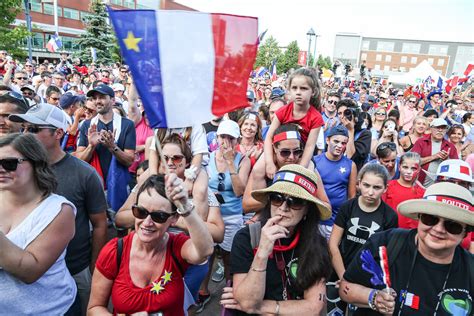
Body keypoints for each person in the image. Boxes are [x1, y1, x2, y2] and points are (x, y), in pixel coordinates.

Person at [9, 103, 108, 315]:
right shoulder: (15, 172)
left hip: (75, 269)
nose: (26, 134)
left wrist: (95, 267)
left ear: (59, 133)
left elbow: (100, 224)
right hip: (22, 275)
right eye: (24, 128)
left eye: (34, 129)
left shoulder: (85, 174)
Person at [88, 174, 214, 315]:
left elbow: (205, 250)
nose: (147, 222)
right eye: (140, 212)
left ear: (174, 218)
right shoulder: (114, 251)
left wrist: (185, 207)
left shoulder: (177, 246)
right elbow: (94, 308)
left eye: (158, 216)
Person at [340, 182, 473, 316]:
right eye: (430, 219)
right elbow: (346, 288)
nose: (438, 229)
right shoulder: (385, 243)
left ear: (465, 233)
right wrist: (373, 297)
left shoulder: (470, 269)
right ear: (419, 217)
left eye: (452, 226)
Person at [221, 164, 332, 315]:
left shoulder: (316, 244)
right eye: (277, 198)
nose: (284, 208)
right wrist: (262, 253)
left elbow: (313, 307)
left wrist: (261, 307)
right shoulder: (246, 237)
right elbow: (247, 302)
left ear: (308, 209)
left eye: (296, 201)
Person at [0, 133, 78, 314]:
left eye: (9, 163)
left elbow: (30, 271)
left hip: (50, 310)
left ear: (35, 163)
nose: (1, 169)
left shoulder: (58, 210)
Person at [329, 163, 398, 292]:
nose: (370, 192)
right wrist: (344, 277)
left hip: (368, 279)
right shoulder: (347, 207)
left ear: (385, 188)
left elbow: (386, 256)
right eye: (366, 185)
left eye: (377, 187)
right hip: (340, 272)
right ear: (359, 183)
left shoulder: (390, 216)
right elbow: (333, 244)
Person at [242, 124, 331, 216]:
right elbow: (246, 205)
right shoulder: (262, 167)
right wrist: (275, 199)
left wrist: (304, 202)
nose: (291, 157)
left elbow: (327, 206)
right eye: (285, 152)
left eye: (297, 152)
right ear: (274, 149)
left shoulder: (307, 167)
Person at [76, 84, 136, 214]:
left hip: (118, 184)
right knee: (97, 226)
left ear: (113, 100)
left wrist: (112, 147)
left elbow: (130, 160)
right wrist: (91, 146)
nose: (97, 101)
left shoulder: (127, 124)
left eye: (102, 97)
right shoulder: (87, 125)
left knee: (119, 223)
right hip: (94, 185)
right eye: (94, 98)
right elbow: (79, 160)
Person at [208, 119, 251, 281]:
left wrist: (230, 163)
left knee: (229, 257)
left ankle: (229, 288)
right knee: (208, 254)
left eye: (231, 138)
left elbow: (239, 191)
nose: (226, 142)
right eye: (223, 137)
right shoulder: (207, 158)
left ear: (237, 140)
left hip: (232, 216)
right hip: (210, 216)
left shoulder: (243, 160)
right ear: (217, 138)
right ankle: (203, 291)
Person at [264, 67, 324, 178]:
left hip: (301, 155)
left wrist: (299, 169)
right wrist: (269, 163)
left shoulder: (316, 118)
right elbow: (269, 137)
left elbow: (310, 147)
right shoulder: (282, 111)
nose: (298, 92)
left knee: (310, 176)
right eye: (294, 88)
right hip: (280, 151)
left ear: (313, 91)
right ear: (289, 90)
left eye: (303, 88)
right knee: (258, 170)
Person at [314, 125, 357, 239]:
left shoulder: (350, 165)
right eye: (336, 141)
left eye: (343, 143)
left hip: (336, 223)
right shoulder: (314, 162)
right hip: (315, 220)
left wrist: (345, 221)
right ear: (327, 140)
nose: (339, 146)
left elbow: (352, 196)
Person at [382, 152, 425, 229]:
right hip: (388, 232)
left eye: (413, 168)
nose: (408, 172)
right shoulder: (388, 187)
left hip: (410, 235)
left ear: (419, 170)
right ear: (399, 167)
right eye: (405, 167)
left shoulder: (422, 193)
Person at [411, 118, 458, 186]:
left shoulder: (450, 146)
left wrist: (447, 160)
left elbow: (455, 168)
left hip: (441, 185)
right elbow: (412, 162)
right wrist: (434, 156)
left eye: (443, 128)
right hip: (420, 183)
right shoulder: (421, 142)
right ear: (431, 128)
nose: (440, 130)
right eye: (437, 127)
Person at [336, 99, 372, 170]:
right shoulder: (337, 130)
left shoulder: (365, 134)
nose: (342, 116)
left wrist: (350, 130)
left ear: (353, 113)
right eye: (339, 113)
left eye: (346, 112)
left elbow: (350, 157)